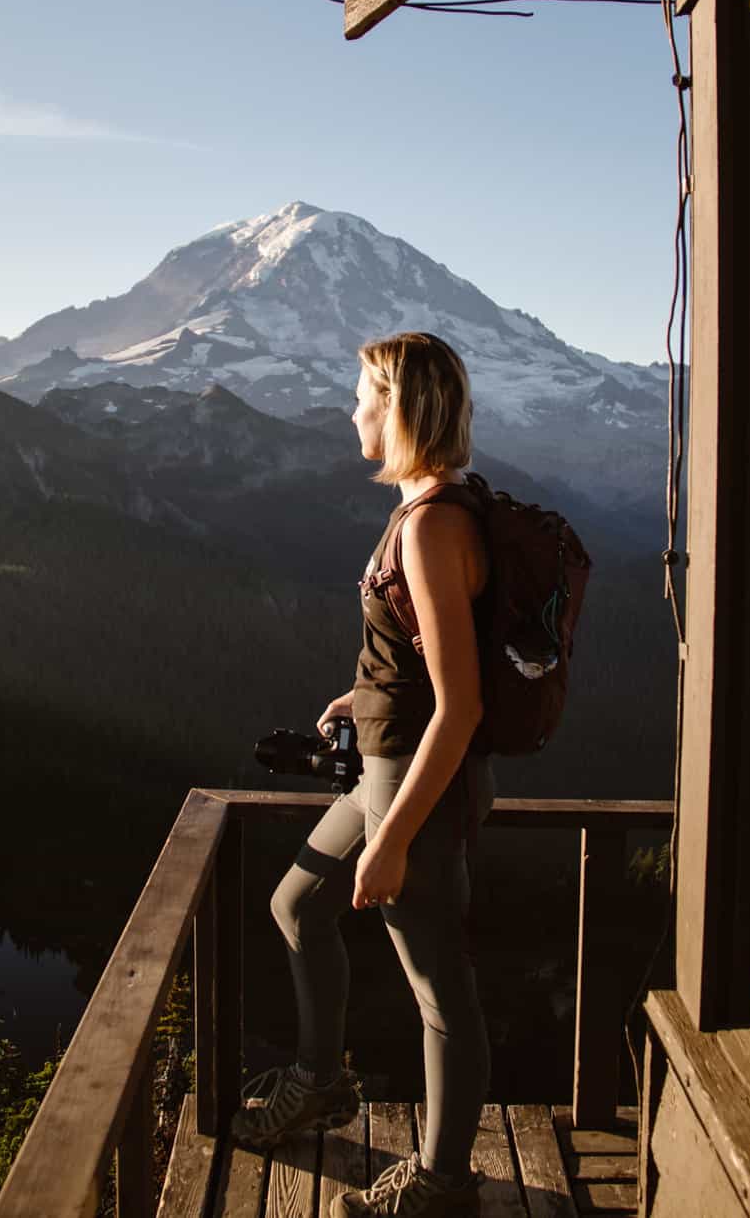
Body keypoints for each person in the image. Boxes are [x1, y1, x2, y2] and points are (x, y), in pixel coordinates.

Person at [232, 331, 493, 1217]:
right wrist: (361, 695)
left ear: (400, 408)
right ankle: (321, 1080)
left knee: (439, 989)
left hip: (410, 788)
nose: (351, 410)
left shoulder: (432, 527)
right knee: (297, 903)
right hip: (380, 764)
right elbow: (420, 661)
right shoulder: (425, 506)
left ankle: (441, 1182)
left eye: (362, 396)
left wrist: (393, 839)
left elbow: (460, 708)